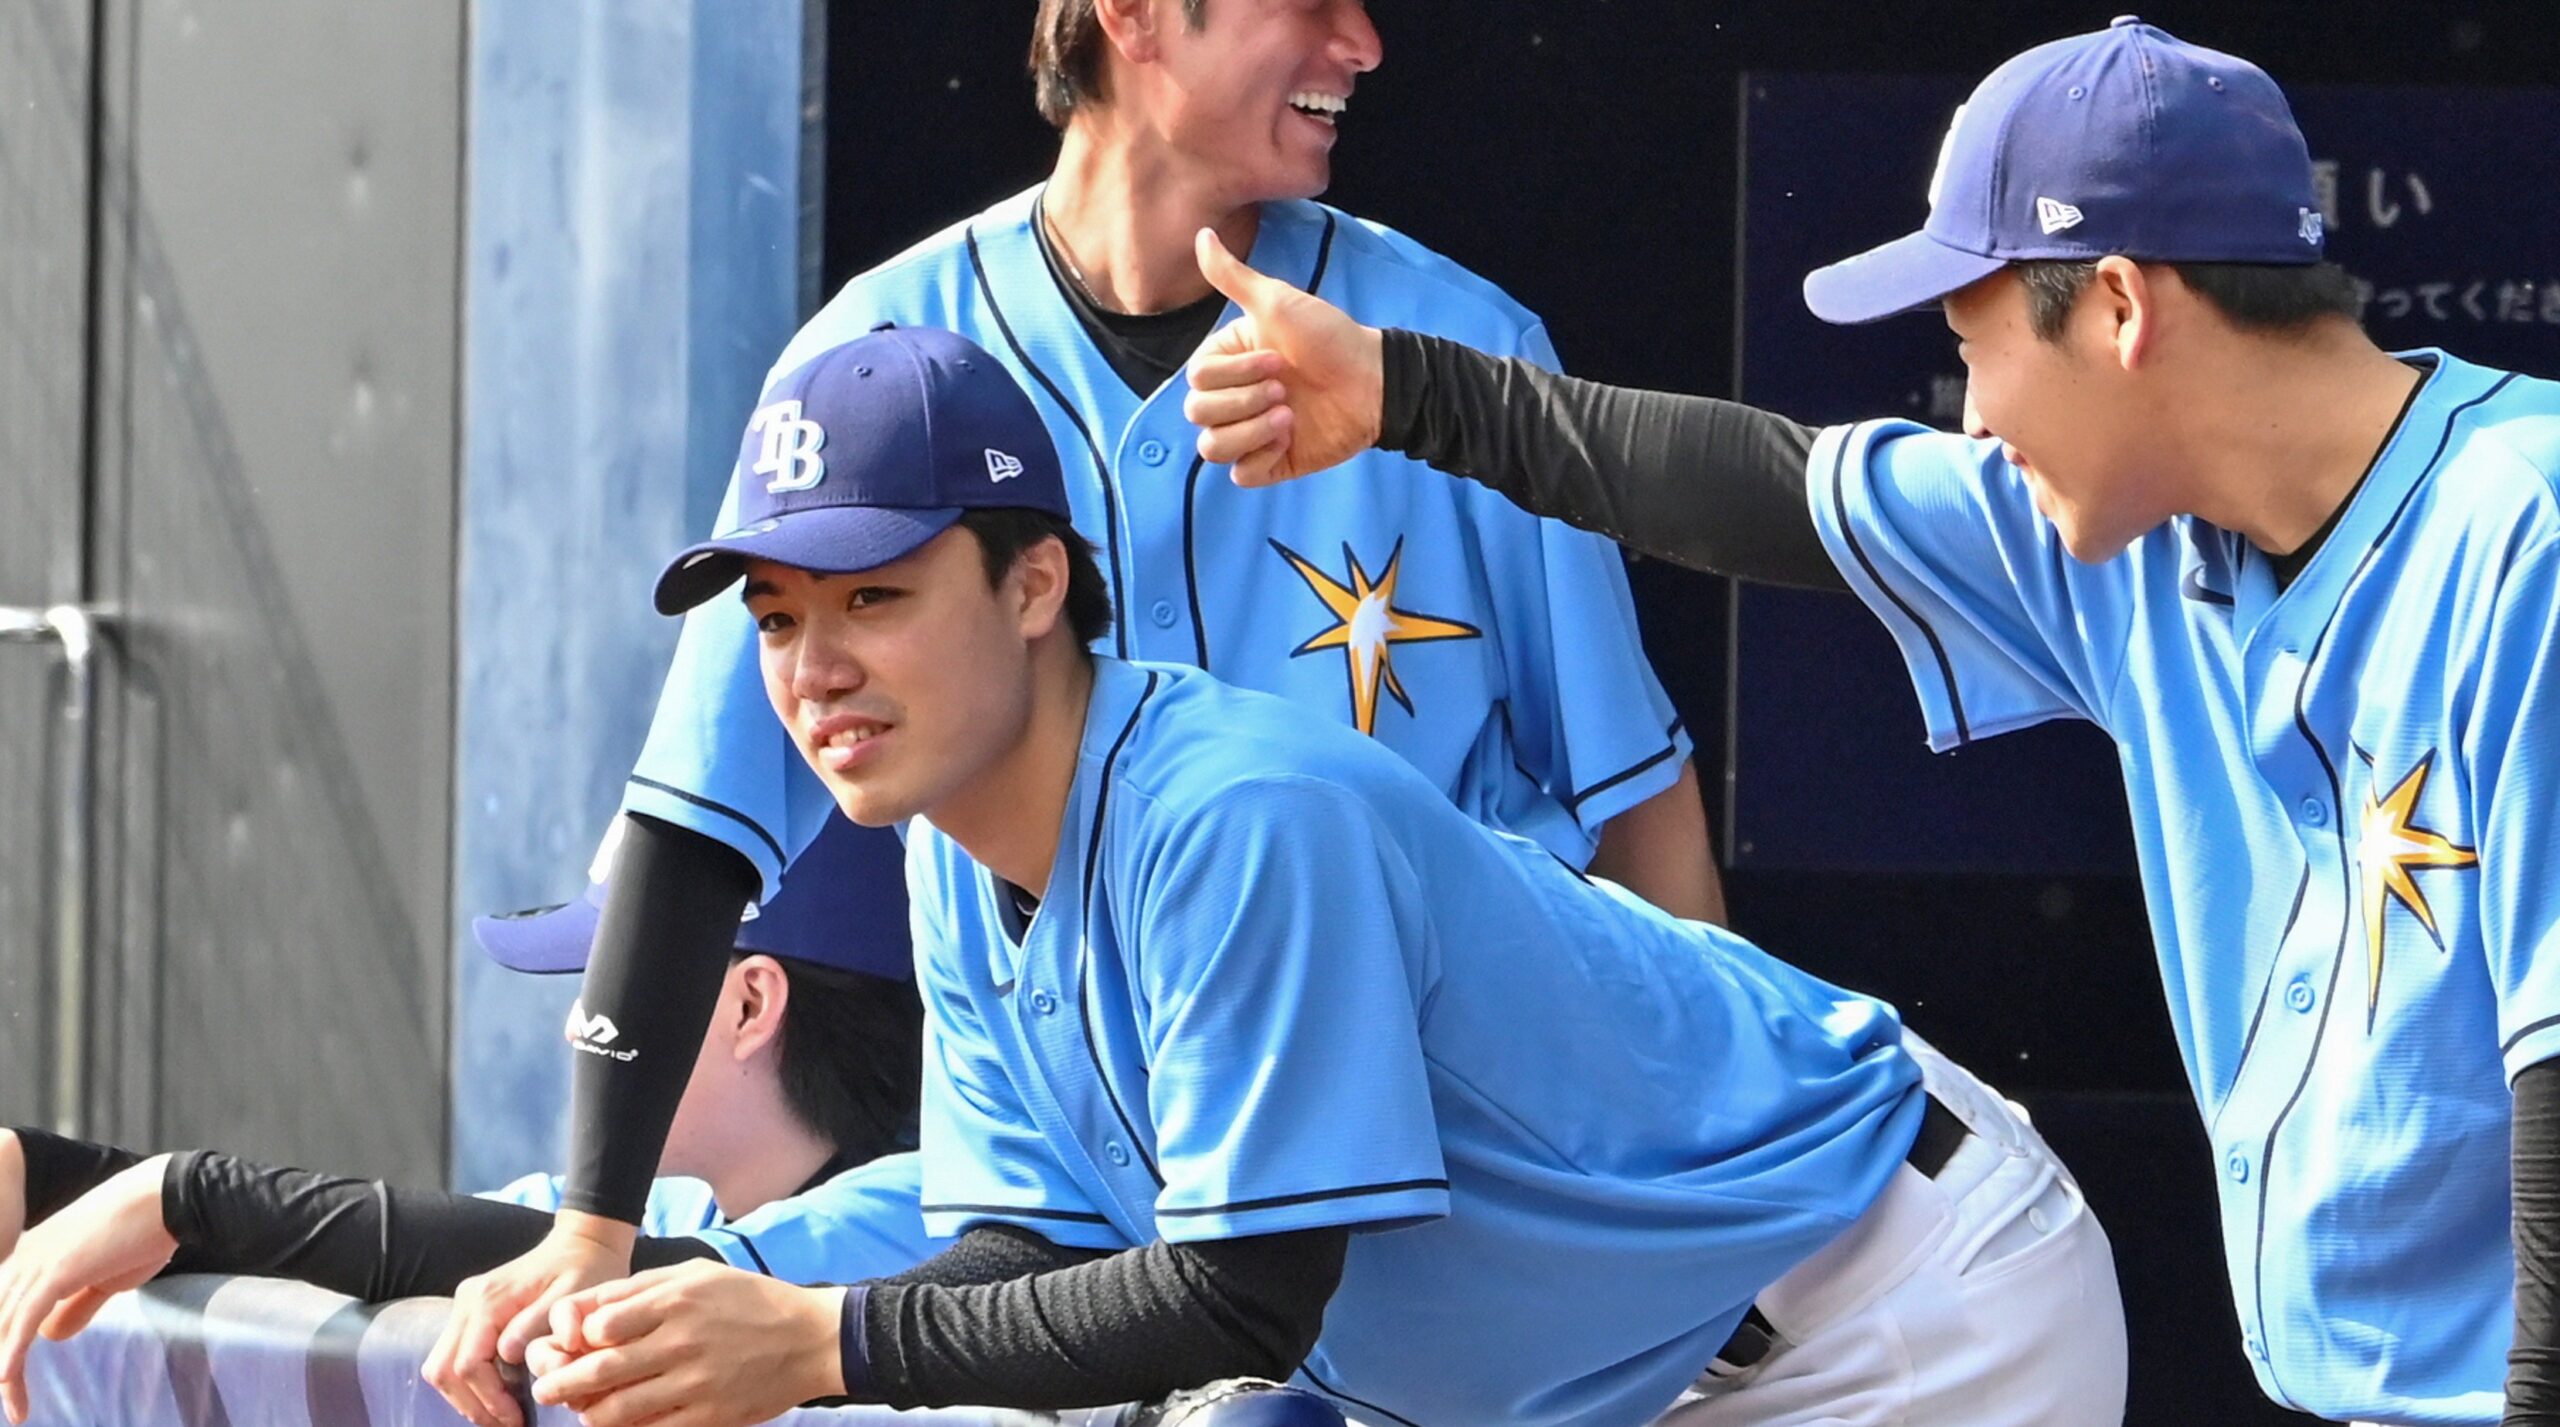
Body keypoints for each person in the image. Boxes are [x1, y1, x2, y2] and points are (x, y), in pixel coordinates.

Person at [1179, 18, 2560, 1425]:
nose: (1974, 421)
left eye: (1971, 346)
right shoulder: (2143, 537)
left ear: (2119, 307)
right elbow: (1771, 488)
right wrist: (1404, 393)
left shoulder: (2526, 529)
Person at [430, 1, 1728, 1414]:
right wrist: (593, 1227)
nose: (1359, 43)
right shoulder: (880, 351)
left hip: (1521, 1219)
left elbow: (1631, 795)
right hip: (1194, 1248)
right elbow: (696, 823)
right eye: (1308, 2)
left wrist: (1699, 1169)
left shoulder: (1444, 345)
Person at [492, 326, 2121, 1427]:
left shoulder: (1230, 811)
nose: (815, 667)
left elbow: (1245, 1297)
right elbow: (1029, 1252)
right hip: (1642, 1359)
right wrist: (711, 1319)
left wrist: (820, 1343)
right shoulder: (957, 853)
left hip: (1889, 1294)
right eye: (778, 617)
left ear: (1037, 583)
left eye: (874, 597)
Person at [0, 815, 942, 1427]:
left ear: (750, 1003)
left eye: (617, 985)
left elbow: (657, 1290)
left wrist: (190, 1193)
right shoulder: (658, 1203)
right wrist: (51, 1179)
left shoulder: (928, 1208)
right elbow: (416, 1249)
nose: (581, 1024)